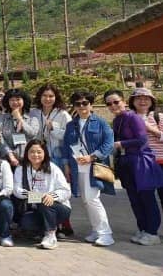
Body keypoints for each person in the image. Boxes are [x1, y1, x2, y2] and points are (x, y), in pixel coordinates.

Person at [104, 89, 163, 246]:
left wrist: (121, 144)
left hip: (140, 161)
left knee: (147, 198)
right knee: (134, 199)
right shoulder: (117, 120)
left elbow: (141, 140)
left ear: (124, 101)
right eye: (109, 104)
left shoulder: (134, 118)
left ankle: (152, 232)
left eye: (116, 102)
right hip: (126, 162)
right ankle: (143, 229)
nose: (113, 106)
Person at [63, 90, 115, 247]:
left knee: (93, 199)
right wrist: (66, 165)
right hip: (77, 166)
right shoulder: (71, 124)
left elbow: (109, 143)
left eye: (85, 103)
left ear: (91, 104)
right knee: (86, 200)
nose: (81, 106)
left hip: (93, 166)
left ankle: (106, 234)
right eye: (77, 104)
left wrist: (92, 157)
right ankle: (96, 230)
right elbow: (66, 145)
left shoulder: (100, 122)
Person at [128, 87, 163, 241]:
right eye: (139, 98)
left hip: (162, 161)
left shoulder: (159, 116)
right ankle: (147, 229)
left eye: (146, 98)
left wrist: (151, 129)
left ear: (152, 101)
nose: (142, 101)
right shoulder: (130, 117)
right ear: (133, 102)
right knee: (145, 197)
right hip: (142, 162)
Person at [29, 84, 73, 236]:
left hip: (57, 155)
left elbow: (69, 136)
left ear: (56, 97)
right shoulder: (34, 112)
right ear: (39, 97)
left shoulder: (62, 114)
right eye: (45, 96)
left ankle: (62, 224)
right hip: (38, 155)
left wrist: (53, 127)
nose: (48, 99)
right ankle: (45, 222)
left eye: (51, 96)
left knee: (57, 188)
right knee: (41, 187)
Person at [13, 139, 72, 250]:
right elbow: (16, 190)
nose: (35, 155)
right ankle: (44, 230)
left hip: (59, 207)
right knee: (26, 222)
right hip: (36, 208)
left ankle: (50, 235)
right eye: (32, 152)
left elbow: (66, 191)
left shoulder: (53, 168)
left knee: (45, 201)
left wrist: (51, 196)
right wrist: (34, 196)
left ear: (45, 153)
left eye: (39, 152)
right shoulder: (21, 168)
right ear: (27, 153)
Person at [0, 89, 39, 167]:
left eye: (18, 99)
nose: (15, 102)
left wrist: (19, 118)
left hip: (29, 159)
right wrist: (10, 155)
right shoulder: (2, 118)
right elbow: (0, 138)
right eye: (12, 100)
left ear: (24, 100)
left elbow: (32, 134)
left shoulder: (32, 117)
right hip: (8, 160)